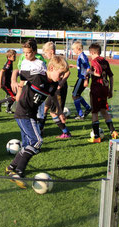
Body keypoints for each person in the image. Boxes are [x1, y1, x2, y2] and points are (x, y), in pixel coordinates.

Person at [5, 55, 69, 188]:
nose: (62, 77)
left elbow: (54, 95)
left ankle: (11, 167)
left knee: (28, 144)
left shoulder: (54, 84)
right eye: (61, 73)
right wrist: (13, 81)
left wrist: (60, 111)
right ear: (51, 68)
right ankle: (18, 173)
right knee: (37, 141)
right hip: (24, 113)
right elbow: (17, 72)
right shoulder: (37, 76)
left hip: (30, 115)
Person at [85, 43, 119, 143]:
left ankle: (96, 136)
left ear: (92, 52)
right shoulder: (105, 61)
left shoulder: (94, 61)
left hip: (97, 89)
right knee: (104, 110)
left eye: (90, 54)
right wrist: (111, 89)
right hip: (105, 88)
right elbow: (111, 76)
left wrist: (89, 72)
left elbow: (98, 73)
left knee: (94, 112)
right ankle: (113, 132)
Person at [11, 39, 47, 125]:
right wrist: (19, 92)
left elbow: (45, 79)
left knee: (39, 115)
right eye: (24, 52)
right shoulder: (24, 62)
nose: (25, 55)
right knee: (28, 115)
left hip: (38, 93)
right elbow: (22, 79)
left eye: (28, 52)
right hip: (27, 92)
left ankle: (40, 131)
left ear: (34, 52)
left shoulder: (40, 64)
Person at [41, 41, 72, 139]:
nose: (45, 55)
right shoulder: (52, 61)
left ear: (51, 51)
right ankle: (40, 129)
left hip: (58, 89)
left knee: (54, 112)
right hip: (53, 88)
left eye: (46, 52)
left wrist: (61, 83)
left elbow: (67, 72)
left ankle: (66, 133)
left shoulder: (58, 60)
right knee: (45, 109)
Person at [69, 41, 92, 121]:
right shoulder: (81, 56)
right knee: (77, 95)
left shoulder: (82, 56)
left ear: (78, 49)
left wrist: (86, 79)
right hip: (81, 77)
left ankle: (81, 114)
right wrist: (74, 66)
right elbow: (82, 67)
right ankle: (87, 108)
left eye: (73, 49)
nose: (73, 51)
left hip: (82, 78)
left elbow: (88, 68)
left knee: (74, 95)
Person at [0, 49, 17, 114]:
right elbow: (1, 71)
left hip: (8, 83)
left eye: (15, 56)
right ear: (9, 57)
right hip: (6, 84)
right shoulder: (9, 63)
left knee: (14, 96)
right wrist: (0, 83)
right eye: (14, 56)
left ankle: (8, 109)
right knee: (14, 97)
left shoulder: (10, 62)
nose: (15, 57)